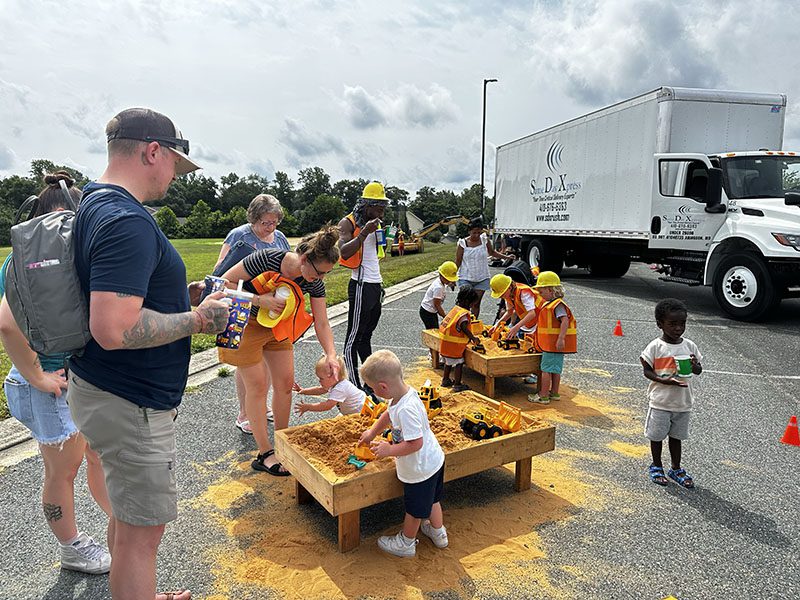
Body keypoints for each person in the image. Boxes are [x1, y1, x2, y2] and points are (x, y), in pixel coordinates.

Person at [68, 108, 230, 600]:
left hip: (101, 388)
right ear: (152, 151)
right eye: (175, 166)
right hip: (130, 401)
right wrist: (200, 320)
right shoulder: (127, 220)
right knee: (143, 537)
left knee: (127, 517)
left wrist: (185, 294)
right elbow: (114, 327)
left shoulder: (94, 203)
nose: (175, 178)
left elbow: (119, 295)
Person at [0, 171, 113, 575]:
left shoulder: (49, 257)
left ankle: (117, 519)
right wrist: (39, 378)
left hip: (65, 382)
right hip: (45, 387)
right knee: (62, 472)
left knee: (94, 457)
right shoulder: (28, 261)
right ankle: (72, 547)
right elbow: (7, 325)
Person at [220, 226, 340, 476]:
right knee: (258, 386)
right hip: (246, 323)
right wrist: (259, 300)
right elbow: (224, 284)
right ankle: (265, 453)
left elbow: (322, 322)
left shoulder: (313, 280)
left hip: (276, 326)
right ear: (304, 259)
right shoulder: (267, 259)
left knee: (285, 384)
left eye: (326, 274)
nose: (321, 280)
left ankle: (283, 444)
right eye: (320, 273)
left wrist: (330, 354)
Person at [358, 350, 447, 557]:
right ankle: (438, 533)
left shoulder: (407, 409)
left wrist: (389, 450)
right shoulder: (403, 395)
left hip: (419, 468)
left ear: (382, 387)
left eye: (372, 388)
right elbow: (389, 414)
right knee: (433, 500)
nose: (373, 392)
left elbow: (415, 443)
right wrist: (372, 432)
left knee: (415, 510)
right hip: (433, 460)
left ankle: (406, 543)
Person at [215, 194, 290, 435]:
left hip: (271, 311)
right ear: (253, 218)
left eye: (275, 222)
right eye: (265, 223)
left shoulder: (279, 238)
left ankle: (261, 406)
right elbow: (220, 275)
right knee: (248, 363)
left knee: (268, 360)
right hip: (245, 306)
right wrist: (257, 299)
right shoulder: (239, 236)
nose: (271, 227)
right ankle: (244, 413)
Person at [640, 298, 703, 488]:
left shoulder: (689, 346)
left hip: (682, 403)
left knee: (677, 437)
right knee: (657, 436)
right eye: (672, 324)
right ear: (660, 324)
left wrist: (695, 366)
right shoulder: (656, 347)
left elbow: (698, 370)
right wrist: (664, 380)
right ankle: (656, 465)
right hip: (660, 401)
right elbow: (646, 369)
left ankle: (676, 468)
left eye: (682, 323)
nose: (678, 328)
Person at [338, 181, 388, 391]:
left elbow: (377, 253)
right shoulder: (348, 222)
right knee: (354, 337)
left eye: (384, 208)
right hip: (360, 283)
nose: (382, 212)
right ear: (368, 205)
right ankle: (353, 385)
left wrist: (383, 237)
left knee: (366, 335)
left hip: (375, 284)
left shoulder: (376, 223)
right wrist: (364, 233)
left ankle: (368, 382)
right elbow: (343, 251)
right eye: (379, 208)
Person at [526, 272, 577, 404]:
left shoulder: (557, 305)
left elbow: (564, 321)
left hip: (552, 345)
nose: (540, 295)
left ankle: (543, 395)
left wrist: (561, 338)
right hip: (552, 345)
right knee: (555, 370)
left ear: (551, 290)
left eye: (542, 292)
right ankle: (554, 393)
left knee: (546, 370)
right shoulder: (551, 304)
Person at [454, 217, 512, 318]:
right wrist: (451, 277)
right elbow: (458, 262)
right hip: (466, 277)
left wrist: (506, 257)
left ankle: (473, 323)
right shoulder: (462, 243)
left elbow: (492, 253)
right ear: (469, 231)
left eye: (478, 232)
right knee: (465, 303)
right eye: (474, 233)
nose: (476, 235)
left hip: (482, 278)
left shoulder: (484, 240)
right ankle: (462, 323)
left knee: (476, 304)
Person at [293, 355, 365, 416]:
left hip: (361, 412)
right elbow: (320, 390)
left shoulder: (340, 388)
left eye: (321, 378)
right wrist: (303, 390)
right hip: (355, 410)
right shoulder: (335, 383)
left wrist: (308, 407)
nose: (319, 380)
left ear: (334, 376)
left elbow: (327, 405)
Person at [439, 285, 480, 392]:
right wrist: (473, 338)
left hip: (445, 344)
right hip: (454, 346)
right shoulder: (464, 315)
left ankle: (445, 380)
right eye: (472, 304)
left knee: (448, 362)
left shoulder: (455, 310)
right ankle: (457, 384)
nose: (472, 307)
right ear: (467, 302)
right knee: (459, 363)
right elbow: (464, 328)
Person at [419, 261, 458, 330]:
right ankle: (429, 341)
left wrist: (452, 284)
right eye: (448, 279)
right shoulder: (438, 287)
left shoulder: (441, 282)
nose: (450, 281)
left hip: (432, 311)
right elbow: (437, 305)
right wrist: (445, 317)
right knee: (433, 331)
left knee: (435, 330)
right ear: (442, 275)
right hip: (427, 312)